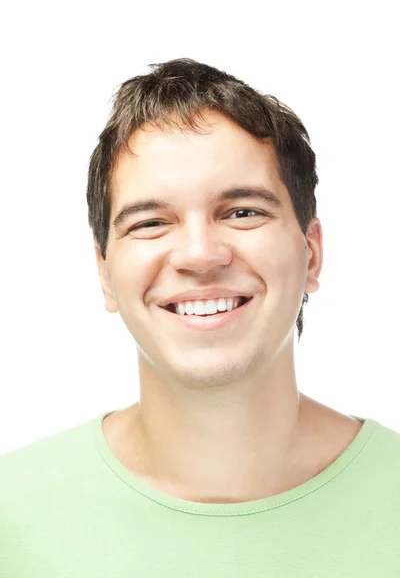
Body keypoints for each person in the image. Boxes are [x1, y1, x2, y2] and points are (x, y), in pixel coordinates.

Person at [1, 58, 399, 576]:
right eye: (150, 221)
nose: (200, 254)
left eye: (242, 212)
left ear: (312, 253)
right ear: (105, 275)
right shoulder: (11, 515)